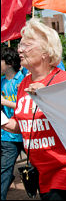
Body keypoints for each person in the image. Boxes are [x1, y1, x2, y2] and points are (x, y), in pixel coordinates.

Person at [1, 18, 66, 200]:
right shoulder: (24, 83)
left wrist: (49, 98)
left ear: (46, 52)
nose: (20, 50)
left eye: (27, 45)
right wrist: (3, 121)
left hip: (65, 173)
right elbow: (20, 125)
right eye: (20, 45)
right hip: (41, 174)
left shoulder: (63, 80)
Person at [1, 47, 25, 200]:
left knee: (41, 167)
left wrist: (5, 102)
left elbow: (26, 105)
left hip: (26, 132)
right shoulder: (1, 81)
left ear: (9, 63)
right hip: (7, 134)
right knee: (4, 170)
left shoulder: (22, 81)